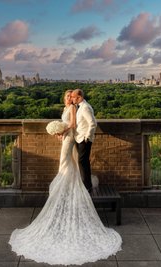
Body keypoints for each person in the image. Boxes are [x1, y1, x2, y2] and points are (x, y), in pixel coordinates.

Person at [9, 90, 122, 266]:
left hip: (72, 137)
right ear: (65, 98)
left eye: (72, 97)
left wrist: (65, 131)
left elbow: (75, 123)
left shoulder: (76, 108)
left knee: (67, 160)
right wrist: (59, 131)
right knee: (72, 162)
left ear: (77, 98)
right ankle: (68, 180)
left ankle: (67, 182)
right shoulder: (71, 106)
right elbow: (70, 122)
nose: (70, 99)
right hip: (68, 136)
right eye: (68, 97)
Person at [71, 88, 97, 192]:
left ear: (79, 97)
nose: (72, 99)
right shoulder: (79, 107)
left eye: (73, 97)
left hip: (84, 139)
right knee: (83, 162)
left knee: (83, 162)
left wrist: (87, 137)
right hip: (79, 138)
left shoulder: (85, 107)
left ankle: (87, 186)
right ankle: (86, 184)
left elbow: (93, 123)